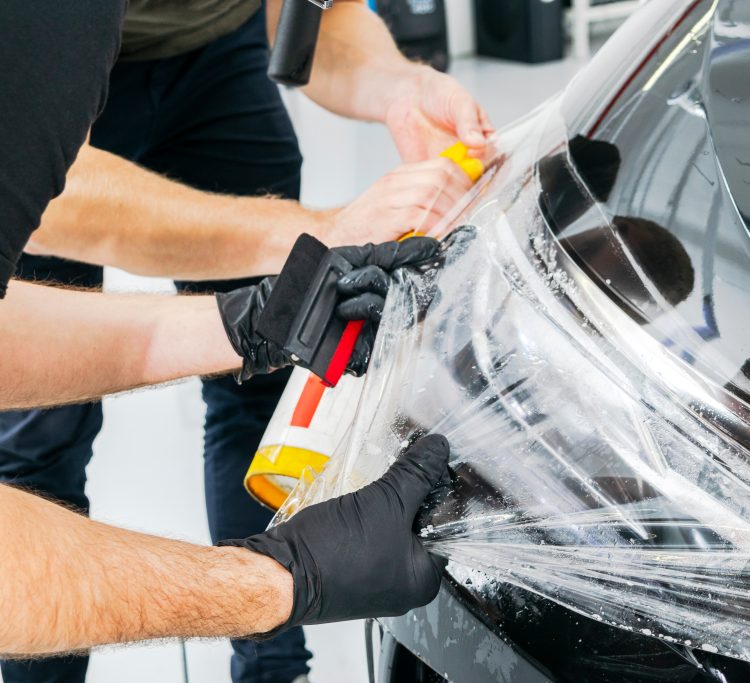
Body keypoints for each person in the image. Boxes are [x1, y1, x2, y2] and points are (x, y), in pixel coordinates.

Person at [0, 1, 490, 681]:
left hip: (208, 58)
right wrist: (279, 582)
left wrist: (247, 324)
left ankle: (271, 670)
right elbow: (62, 204)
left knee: (261, 381)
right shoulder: (42, 38)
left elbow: (310, 19)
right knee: (38, 442)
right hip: (62, 56)